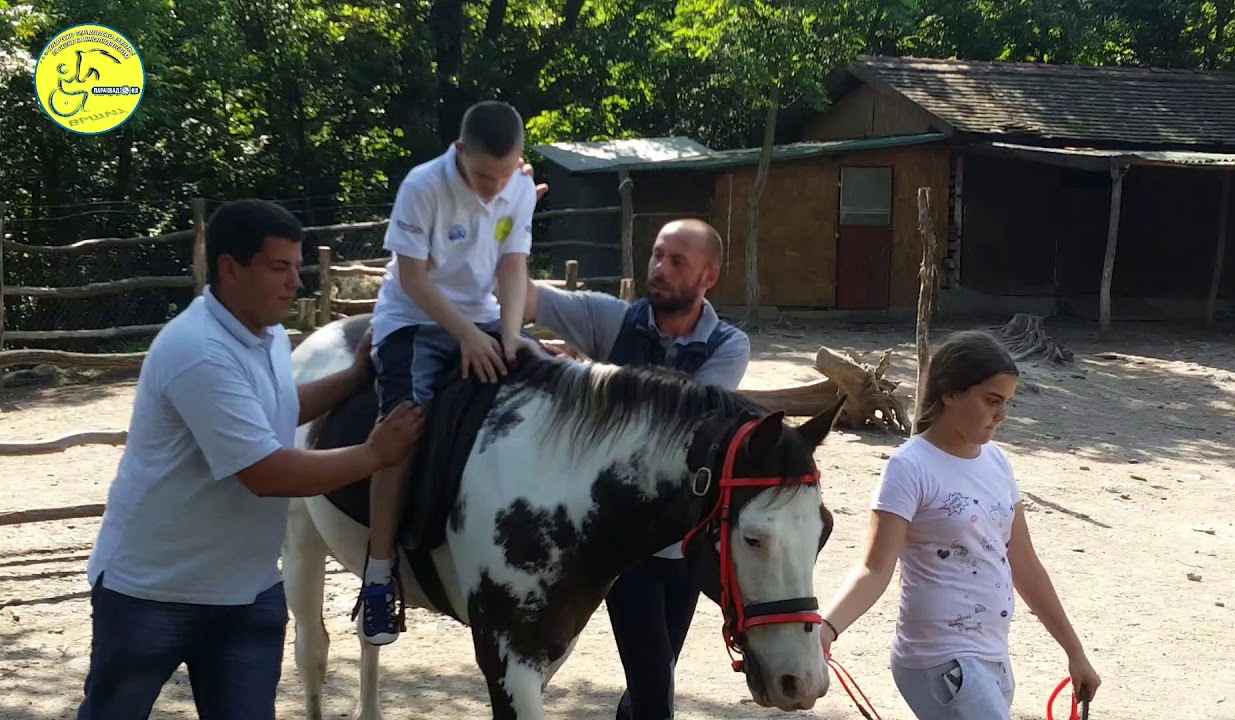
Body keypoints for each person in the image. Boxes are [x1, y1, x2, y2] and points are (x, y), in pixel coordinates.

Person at [78, 198, 426, 720]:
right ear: (230, 268)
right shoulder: (199, 351)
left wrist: (351, 381)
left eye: (297, 267)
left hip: (246, 592)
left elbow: (277, 410)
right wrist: (375, 454)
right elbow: (266, 473)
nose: (295, 283)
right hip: (154, 593)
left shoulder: (261, 337)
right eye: (279, 268)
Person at [524, 218, 750, 720]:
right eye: (656, 256)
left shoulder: (729, 346)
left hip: (687, 543)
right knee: (654, 693)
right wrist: (511, 219)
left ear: (708, 277)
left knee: (656, 675)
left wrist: (581, 375)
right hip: (625, 542)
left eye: (677, 262)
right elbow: (522, 295)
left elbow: (678, 422)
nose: (659, 269)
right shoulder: (611, 320)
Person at [817, 330, 1101, 720]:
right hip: (940, 661)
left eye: (1007, 403)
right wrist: (826, 629)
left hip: (993, 658)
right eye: (992, 401)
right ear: (949, 393)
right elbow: (874, 568)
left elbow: (1024, 563)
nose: (1001, 414)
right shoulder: (910, 467)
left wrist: (1075, 653)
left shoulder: (998, 462)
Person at [356, 99, 542, 646]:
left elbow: (513, 265)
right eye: (484, 176)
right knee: (403, 426)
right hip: (413, 319)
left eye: (503, 178)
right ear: (460, 152)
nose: (492, 191)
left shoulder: (520, 187)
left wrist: (507, 340)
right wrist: (465, 336)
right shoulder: (422, 185)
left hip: (486, 317)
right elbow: (411, 278)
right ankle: (379, 573)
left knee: (549, 387)